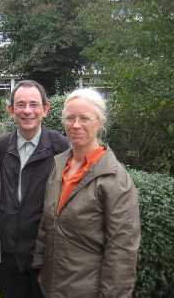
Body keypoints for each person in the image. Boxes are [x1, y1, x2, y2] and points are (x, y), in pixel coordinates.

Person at [32, 88, 141, 297]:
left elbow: (122, 250)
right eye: (70, 118)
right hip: (51, 285)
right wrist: (40, 266)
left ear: (99, 122)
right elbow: (47, 221)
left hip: (86, 289)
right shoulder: (59, 164)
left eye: (84, 118)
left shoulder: (114, 178)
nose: (75, 125)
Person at [0, 80, 69, 298]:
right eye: (20, 105)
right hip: (8, 259)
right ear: (11, 110)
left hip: (45, 259)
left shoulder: (62, 148)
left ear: (45, 109)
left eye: (33, 104)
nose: (27, 111)